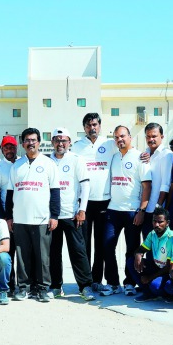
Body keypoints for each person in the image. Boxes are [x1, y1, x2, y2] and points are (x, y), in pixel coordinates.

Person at [6, 128, 60, 302]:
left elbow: (55, 192)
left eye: (34, 140)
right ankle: (23, 288)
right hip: (20, 219)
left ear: (39, 142)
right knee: (22, 257)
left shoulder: (48, 164)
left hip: (42, 219)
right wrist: (9, 217)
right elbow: (9, 193)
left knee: (43, 257)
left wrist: (54, 216)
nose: (31, 143)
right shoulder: (17, 165)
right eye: (27, 140)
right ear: (23, 144)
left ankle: (43, 288)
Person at [99, 125, 150, 296]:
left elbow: (146, 186)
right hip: (113, 210)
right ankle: (113, 283)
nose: (119, 140)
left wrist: (141, 210)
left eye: (122, 136)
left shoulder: (140, 157)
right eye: (116, 137)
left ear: (130, 137)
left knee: (132, 249)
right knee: (107, 246)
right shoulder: (113, 157)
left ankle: (130, 282)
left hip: (131, 211)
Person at [49, 128, 95, 300]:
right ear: (52, 141)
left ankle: (85, 287)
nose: (60, 143)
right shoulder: (46, 161)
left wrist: (82, 209)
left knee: (78, 252)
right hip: (53, 216)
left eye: (64, 140)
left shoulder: (77, 159)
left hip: (72, 214)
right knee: (53, 253)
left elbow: (85, 185)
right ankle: (55, 286)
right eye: (57, 140)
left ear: (69, 142)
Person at [72, 113, 116, 291]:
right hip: (84, 203)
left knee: (100, 243)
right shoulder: (76, 147)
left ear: (100, 126)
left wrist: (145, 155)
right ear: (84, 127)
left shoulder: (109, 144)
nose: (93, 128)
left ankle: (97, 279)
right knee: (84, 243)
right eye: (89, 125)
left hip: (104, 201)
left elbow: (127, 151)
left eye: (95, 124)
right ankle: (86, 281)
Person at [132, 208, 173, 303]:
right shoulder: (152, 234)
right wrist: (138, 255)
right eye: (154, 221)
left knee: (155, 286)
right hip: (157, 267)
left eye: (160, 222)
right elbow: (141, 249)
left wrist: (149, 278)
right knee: (131, 261)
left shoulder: (172, 238)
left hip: (169, 272)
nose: (156, 225)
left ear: (167, 223)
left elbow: (169, 267)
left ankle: (170, 294)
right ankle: (148, 293)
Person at [138, 123, 173, 236]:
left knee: (159, 248)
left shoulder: (167, 155)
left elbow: (166, 184)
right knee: (147, 244)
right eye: (148, 137)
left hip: (157, 211)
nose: (151, 139)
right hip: (145, 209)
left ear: (162, 137)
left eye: (154, 136)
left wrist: (158, 208)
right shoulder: (145, 153)